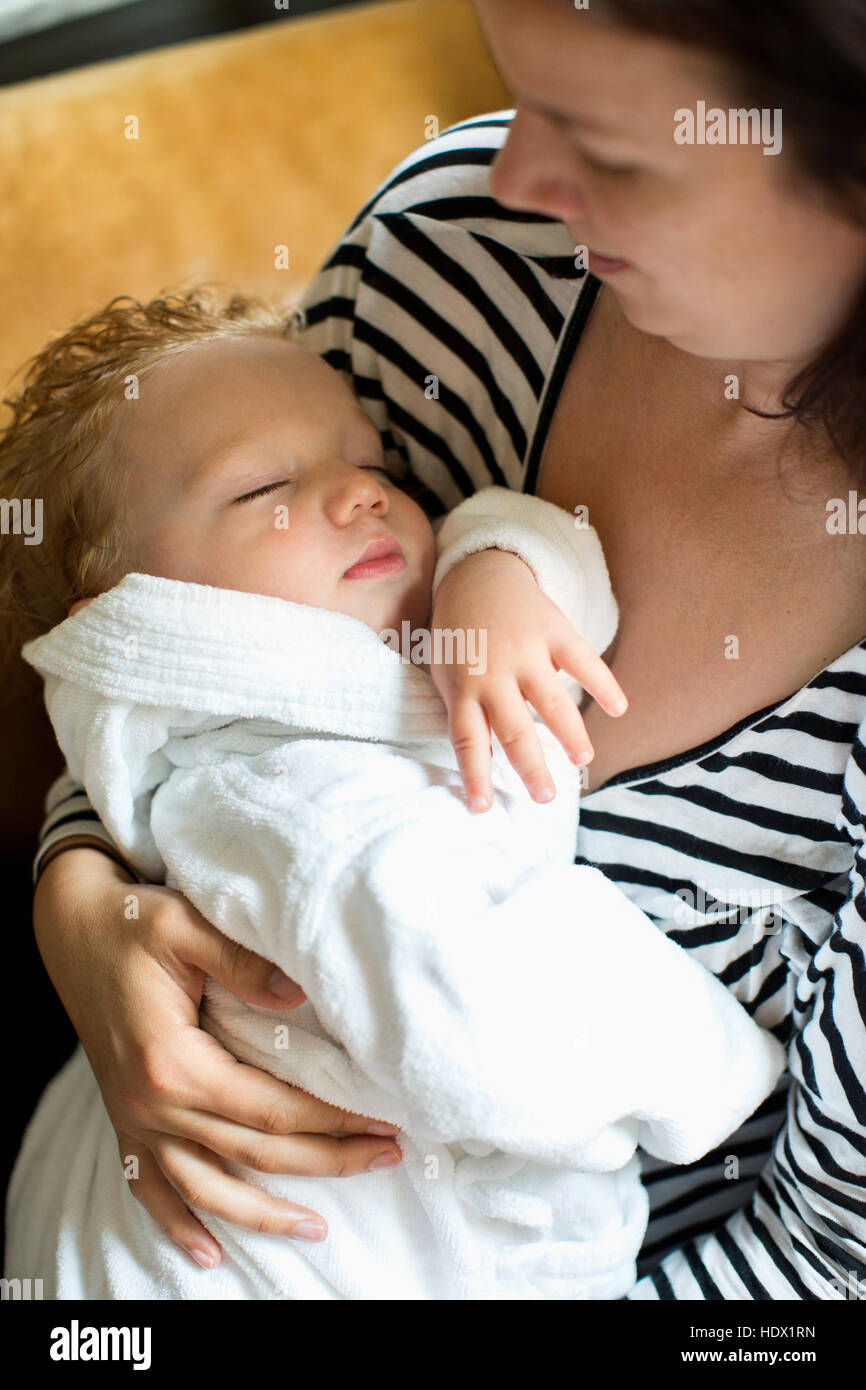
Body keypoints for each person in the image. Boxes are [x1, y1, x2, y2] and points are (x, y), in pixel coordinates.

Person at [19, 0, 866, 1297]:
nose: (509, 169)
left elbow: (821, 1267)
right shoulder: (452, 246)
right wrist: (83, 905)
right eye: (510, 81)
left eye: (605, 140)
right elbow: (191, 654)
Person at [3, 291, 783, 1298]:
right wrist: (714, 1066)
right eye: (264, 488)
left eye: (372, 464)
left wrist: (497, 569)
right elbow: (492, 1041)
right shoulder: (308, 813)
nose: (364, 495)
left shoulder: (329, 700)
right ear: (142, 625)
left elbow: (552, 600)